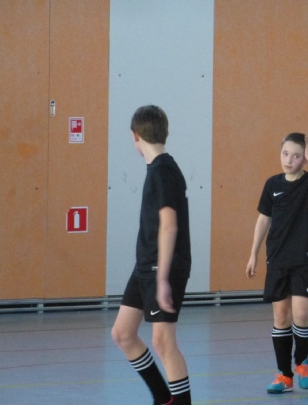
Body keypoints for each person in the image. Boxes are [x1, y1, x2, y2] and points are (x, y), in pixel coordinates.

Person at [111, 105, 192, 405]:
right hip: (145, 265)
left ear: (135, 135)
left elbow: (169, 225)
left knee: (163, 341)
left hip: (163, 267)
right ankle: (163, 398)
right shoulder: (158, 168)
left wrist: (162, 279)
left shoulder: (163, 171)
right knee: (123, 334)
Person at [246, 133, 308, 394]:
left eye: (296, 155)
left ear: (303, 158)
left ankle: (302, 361)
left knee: (302, 314)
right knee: (281, 316)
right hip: (277, 258)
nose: (289, 160)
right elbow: (264, 219)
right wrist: (253, 253)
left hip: (304, 257)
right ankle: (284, 376)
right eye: (285, 154)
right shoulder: (272, 184)